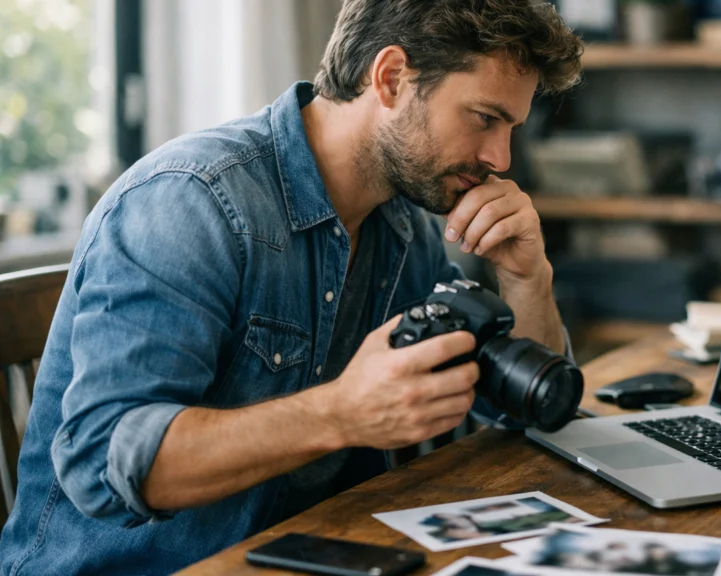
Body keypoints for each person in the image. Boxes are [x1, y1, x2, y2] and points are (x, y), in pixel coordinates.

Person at [0, 1, 583, 573]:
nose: (499, 158)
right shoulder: (190, 201)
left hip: (313, 553)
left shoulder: (403, 226)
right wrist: (341, 412)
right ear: (390, 78)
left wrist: (527, 278)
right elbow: (101, 462)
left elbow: (523, 411)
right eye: (484, 118)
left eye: (510, 128)